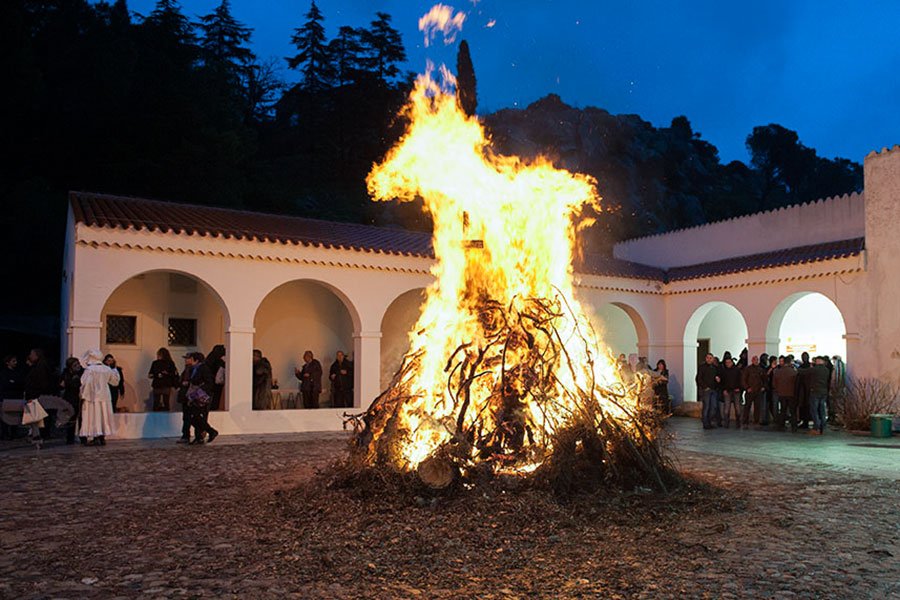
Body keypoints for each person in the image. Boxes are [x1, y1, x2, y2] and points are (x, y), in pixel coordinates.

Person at [79, 348, 119, 446]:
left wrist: (83, 394)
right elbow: (115, 382)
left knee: (93, 416)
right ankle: (101, 437)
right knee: (103, 416)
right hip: (104, 396)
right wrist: (114, 369)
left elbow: (84, 382)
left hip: (92, 397)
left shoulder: (89, 370)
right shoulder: (107, 369)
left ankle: (96, 436)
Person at [24, 348, 57, 445]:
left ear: (36, 355)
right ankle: (38, 435)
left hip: (38, 397)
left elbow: (41, 383)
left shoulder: (41, 367)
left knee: (39, 418)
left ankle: (40, 436)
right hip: (36, 396)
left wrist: (35, 395)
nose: (30, 356)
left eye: (31, 354)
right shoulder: (37, 366)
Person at [186, 352, 218, 445]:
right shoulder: (193, 369)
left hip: (202, 396)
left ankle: (208, 432)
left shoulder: (203, 369)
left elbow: (209, 382)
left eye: (191, 359)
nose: (188, 360)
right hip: (195, 396)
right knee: (193, 417)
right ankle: (203, 434)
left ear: (196, 360)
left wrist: (200, 390)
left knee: (197, 416)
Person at [59, 357, 83, 445]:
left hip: (79, 398)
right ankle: (70, 438)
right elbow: (62, 385)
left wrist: (69, 383)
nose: (78, 366)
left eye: (78, 364)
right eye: (75, 365)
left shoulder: (82, 372)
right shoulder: (66, 373)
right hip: (70, 398)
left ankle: (82, 438)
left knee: (81, 418)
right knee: (71, 419)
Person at [773, 356, 799, 432]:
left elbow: (774, 383)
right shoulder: (793, 372)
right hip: (791, 393)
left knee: (783, 410)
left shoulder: (778, 371)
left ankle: (781, 425)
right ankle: (794, 426)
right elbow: (796, 383)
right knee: (792, 411)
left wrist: (778, 389)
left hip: (781, 393)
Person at [0, 354, 24, 440]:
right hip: (6, 397)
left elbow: (20, 383)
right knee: (5, 416)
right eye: (13, 361)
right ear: (7, 362)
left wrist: (14, 383)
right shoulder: (3, 373)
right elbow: (5, 384)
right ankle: (5, 433)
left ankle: (14, 433)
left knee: (15, 416)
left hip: (16, 397)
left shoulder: (17, 372)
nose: (15, 363)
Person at [148, 348, 178, 412]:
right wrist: (166, 374)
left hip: (158, 384)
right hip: (165, 384)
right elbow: (174, 374)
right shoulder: (170, 363)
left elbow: (150, 374)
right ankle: (166, 417)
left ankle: (155, 417)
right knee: (165, 402)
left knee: (157, 402)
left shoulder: (155, 363)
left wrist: (157, 375)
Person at [742, 355, 767, 427]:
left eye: (757, 360)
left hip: (758, 391)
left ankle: (756, 421)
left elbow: (765, 379)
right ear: (752, 360)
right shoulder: (748, 369)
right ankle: (745, 421)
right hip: (750, 391)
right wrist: (747, 388)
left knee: (757, 407)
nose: (756, 361)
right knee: (747, 407)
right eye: (755, 360)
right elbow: (743, 379)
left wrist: (763, 387)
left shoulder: (761, 369)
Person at [696, 353, 720, 430]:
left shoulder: (715, 368)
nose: (709, 359)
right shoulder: (702, 367)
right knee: (706, 406)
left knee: (713, 406)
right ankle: (705, 423)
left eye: (711, 358)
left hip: (713, 389)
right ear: (706, 358)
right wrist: (704, 387)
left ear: (713, 359)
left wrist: (717, 381)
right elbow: (699, 378)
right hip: (706, 390)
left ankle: (709, 421)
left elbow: (717, 377)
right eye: (708, 358)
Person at [808, 357, 831, 435]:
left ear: (818, 361)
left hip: (815, 391)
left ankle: (816, 427)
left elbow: (804, 372)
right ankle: (823, 426)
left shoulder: (815, 369)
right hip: (824, 391)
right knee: (822, 409)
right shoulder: (826, 370)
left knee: (814, 409)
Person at [719, 357, 743, 429]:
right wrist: (723, 390)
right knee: (726, 408)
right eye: (726, 363)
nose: (728, 364)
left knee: (737, 407)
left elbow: (741, 380)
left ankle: (738, 423)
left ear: (732, 362)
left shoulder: (737, 370)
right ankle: (726, 423)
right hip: (727, 391)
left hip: (736, 391)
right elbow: (722, 382)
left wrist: (739, 388)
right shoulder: (723, 371)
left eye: (729, 362)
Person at [176, 354, 192, 443]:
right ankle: (186, 434)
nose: (186, 360)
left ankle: (186, 435)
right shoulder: (187, 369)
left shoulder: (190, 369)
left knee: (187, 416)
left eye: (187, 359)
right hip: (185, 395)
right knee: (186, 416)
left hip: (188, 396)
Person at [795, 352, 813, 430]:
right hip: (807, 389)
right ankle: (805, 421)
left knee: (804, 406)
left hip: (804, 389)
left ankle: (805, 422)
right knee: (806, 406)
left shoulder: (801, 368)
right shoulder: (811, 367)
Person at [206, 344, 226, 411]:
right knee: (217, 396)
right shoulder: (221, 359)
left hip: (212, 381)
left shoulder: (211, 358)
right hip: (217, 382)